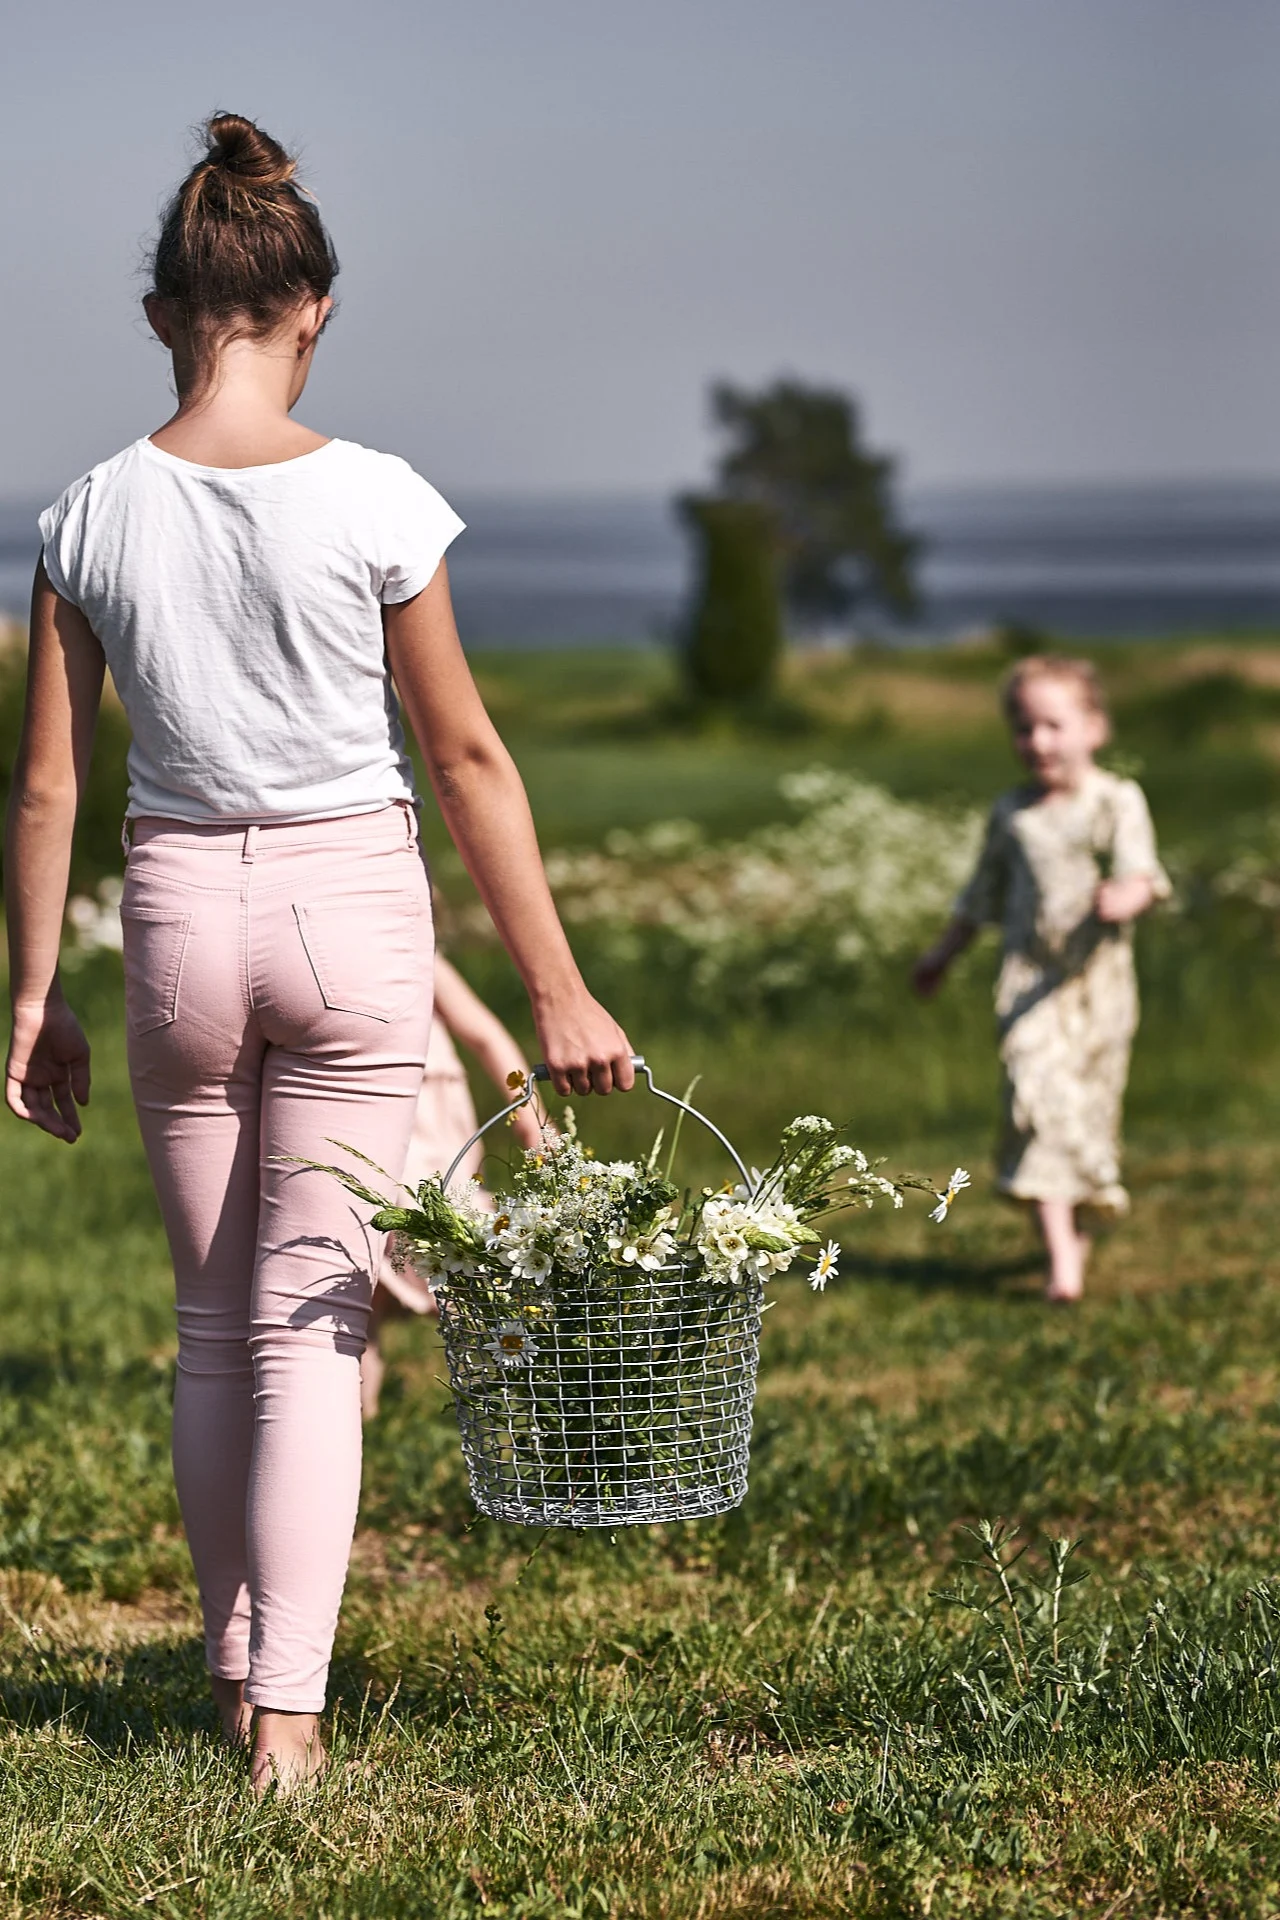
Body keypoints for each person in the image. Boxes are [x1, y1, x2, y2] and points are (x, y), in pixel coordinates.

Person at [4, 113, 634, 1795]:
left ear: (162, 313)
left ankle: (237, 1683)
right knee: (315, 1328)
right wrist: (557, 987)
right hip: (353, 913)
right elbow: (470, 761)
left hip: (176, 913)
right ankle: (288, 1722)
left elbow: (53, 776)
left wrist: (32, 996)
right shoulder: (379, 498)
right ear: (315, 309)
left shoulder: (84, 514)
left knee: (215, 1331)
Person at [913, 654, 1168, 1304]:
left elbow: (1142, 871)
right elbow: (981, 896)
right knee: (1035, 1102)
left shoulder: (1116, 799)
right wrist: (941, 955)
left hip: (1098, 988)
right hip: (1028, 988)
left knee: (1086, 1112)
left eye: (1053, 726)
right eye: (1025, 728)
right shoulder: (1012, 815)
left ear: (1094, 727)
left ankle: (1071, 1230)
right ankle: (1063, 1269)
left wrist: (1128, 897)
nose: (1038, 743)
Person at [359, 953, 552, 1422]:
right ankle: (354, 1432)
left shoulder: (414, 949)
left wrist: (532, 1121)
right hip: (376, 1122)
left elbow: (485, 1035)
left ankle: (507, 1409)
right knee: (359, 1300)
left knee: (463, 1273)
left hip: (436, 1142)